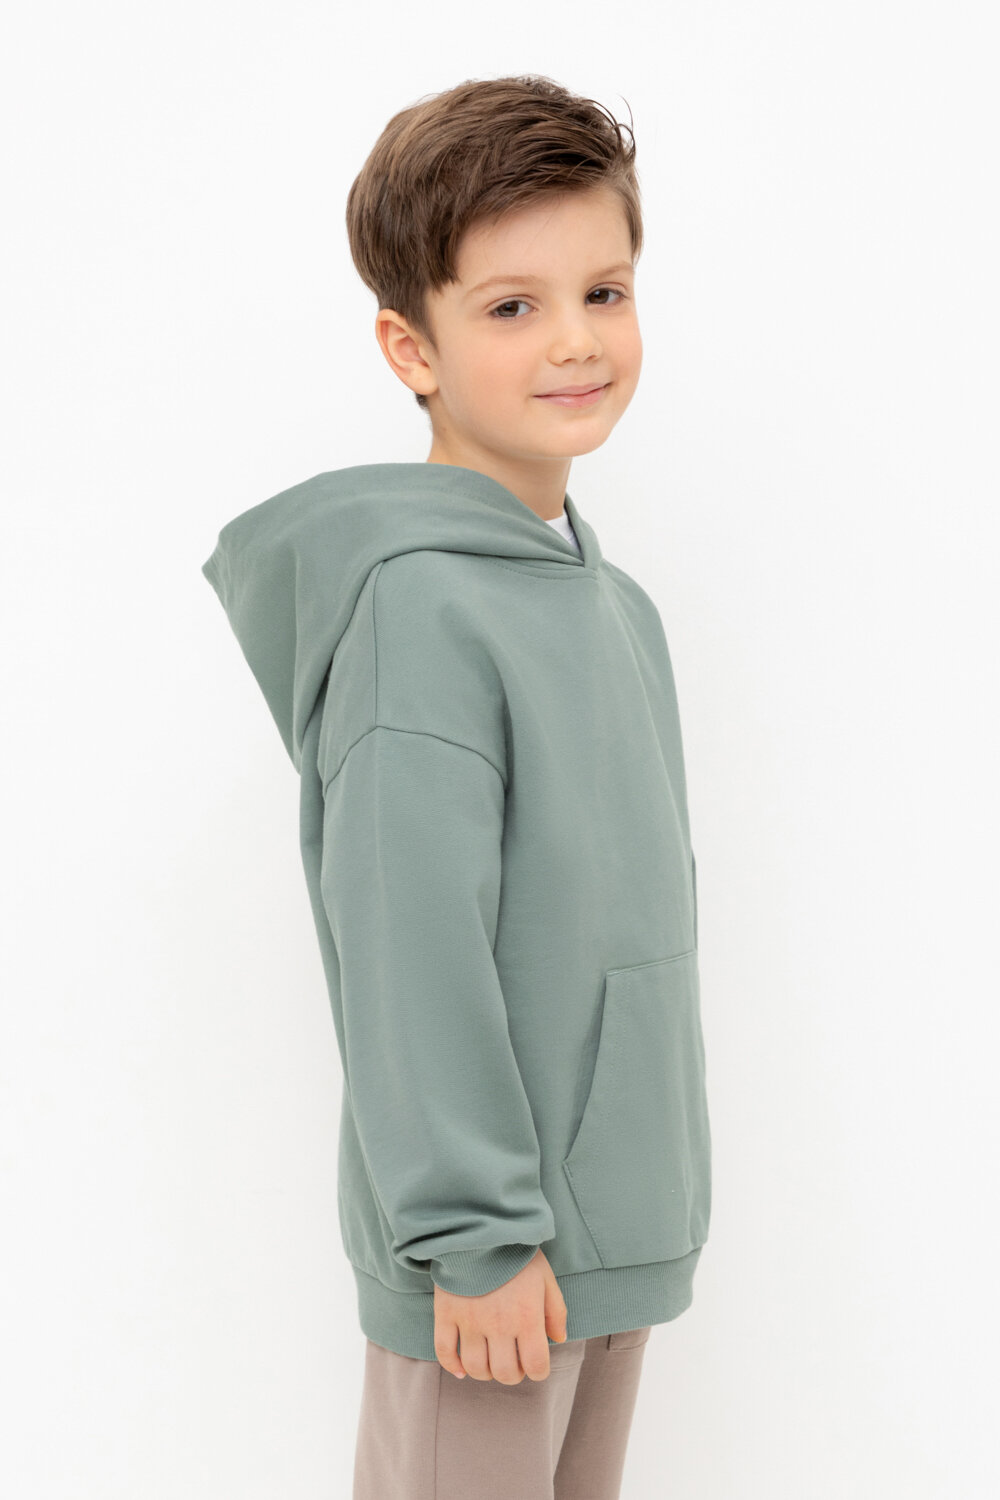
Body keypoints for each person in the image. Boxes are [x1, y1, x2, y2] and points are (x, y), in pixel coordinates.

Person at [201, 72, 712, 1500]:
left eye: (603, 292)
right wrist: (474, 1237)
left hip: (609, 1237)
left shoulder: (612, 606)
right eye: (511, 307)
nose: (575, 339)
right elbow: (409, 940)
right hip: (492, 1268)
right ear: (408, 346)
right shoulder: (417, 614)